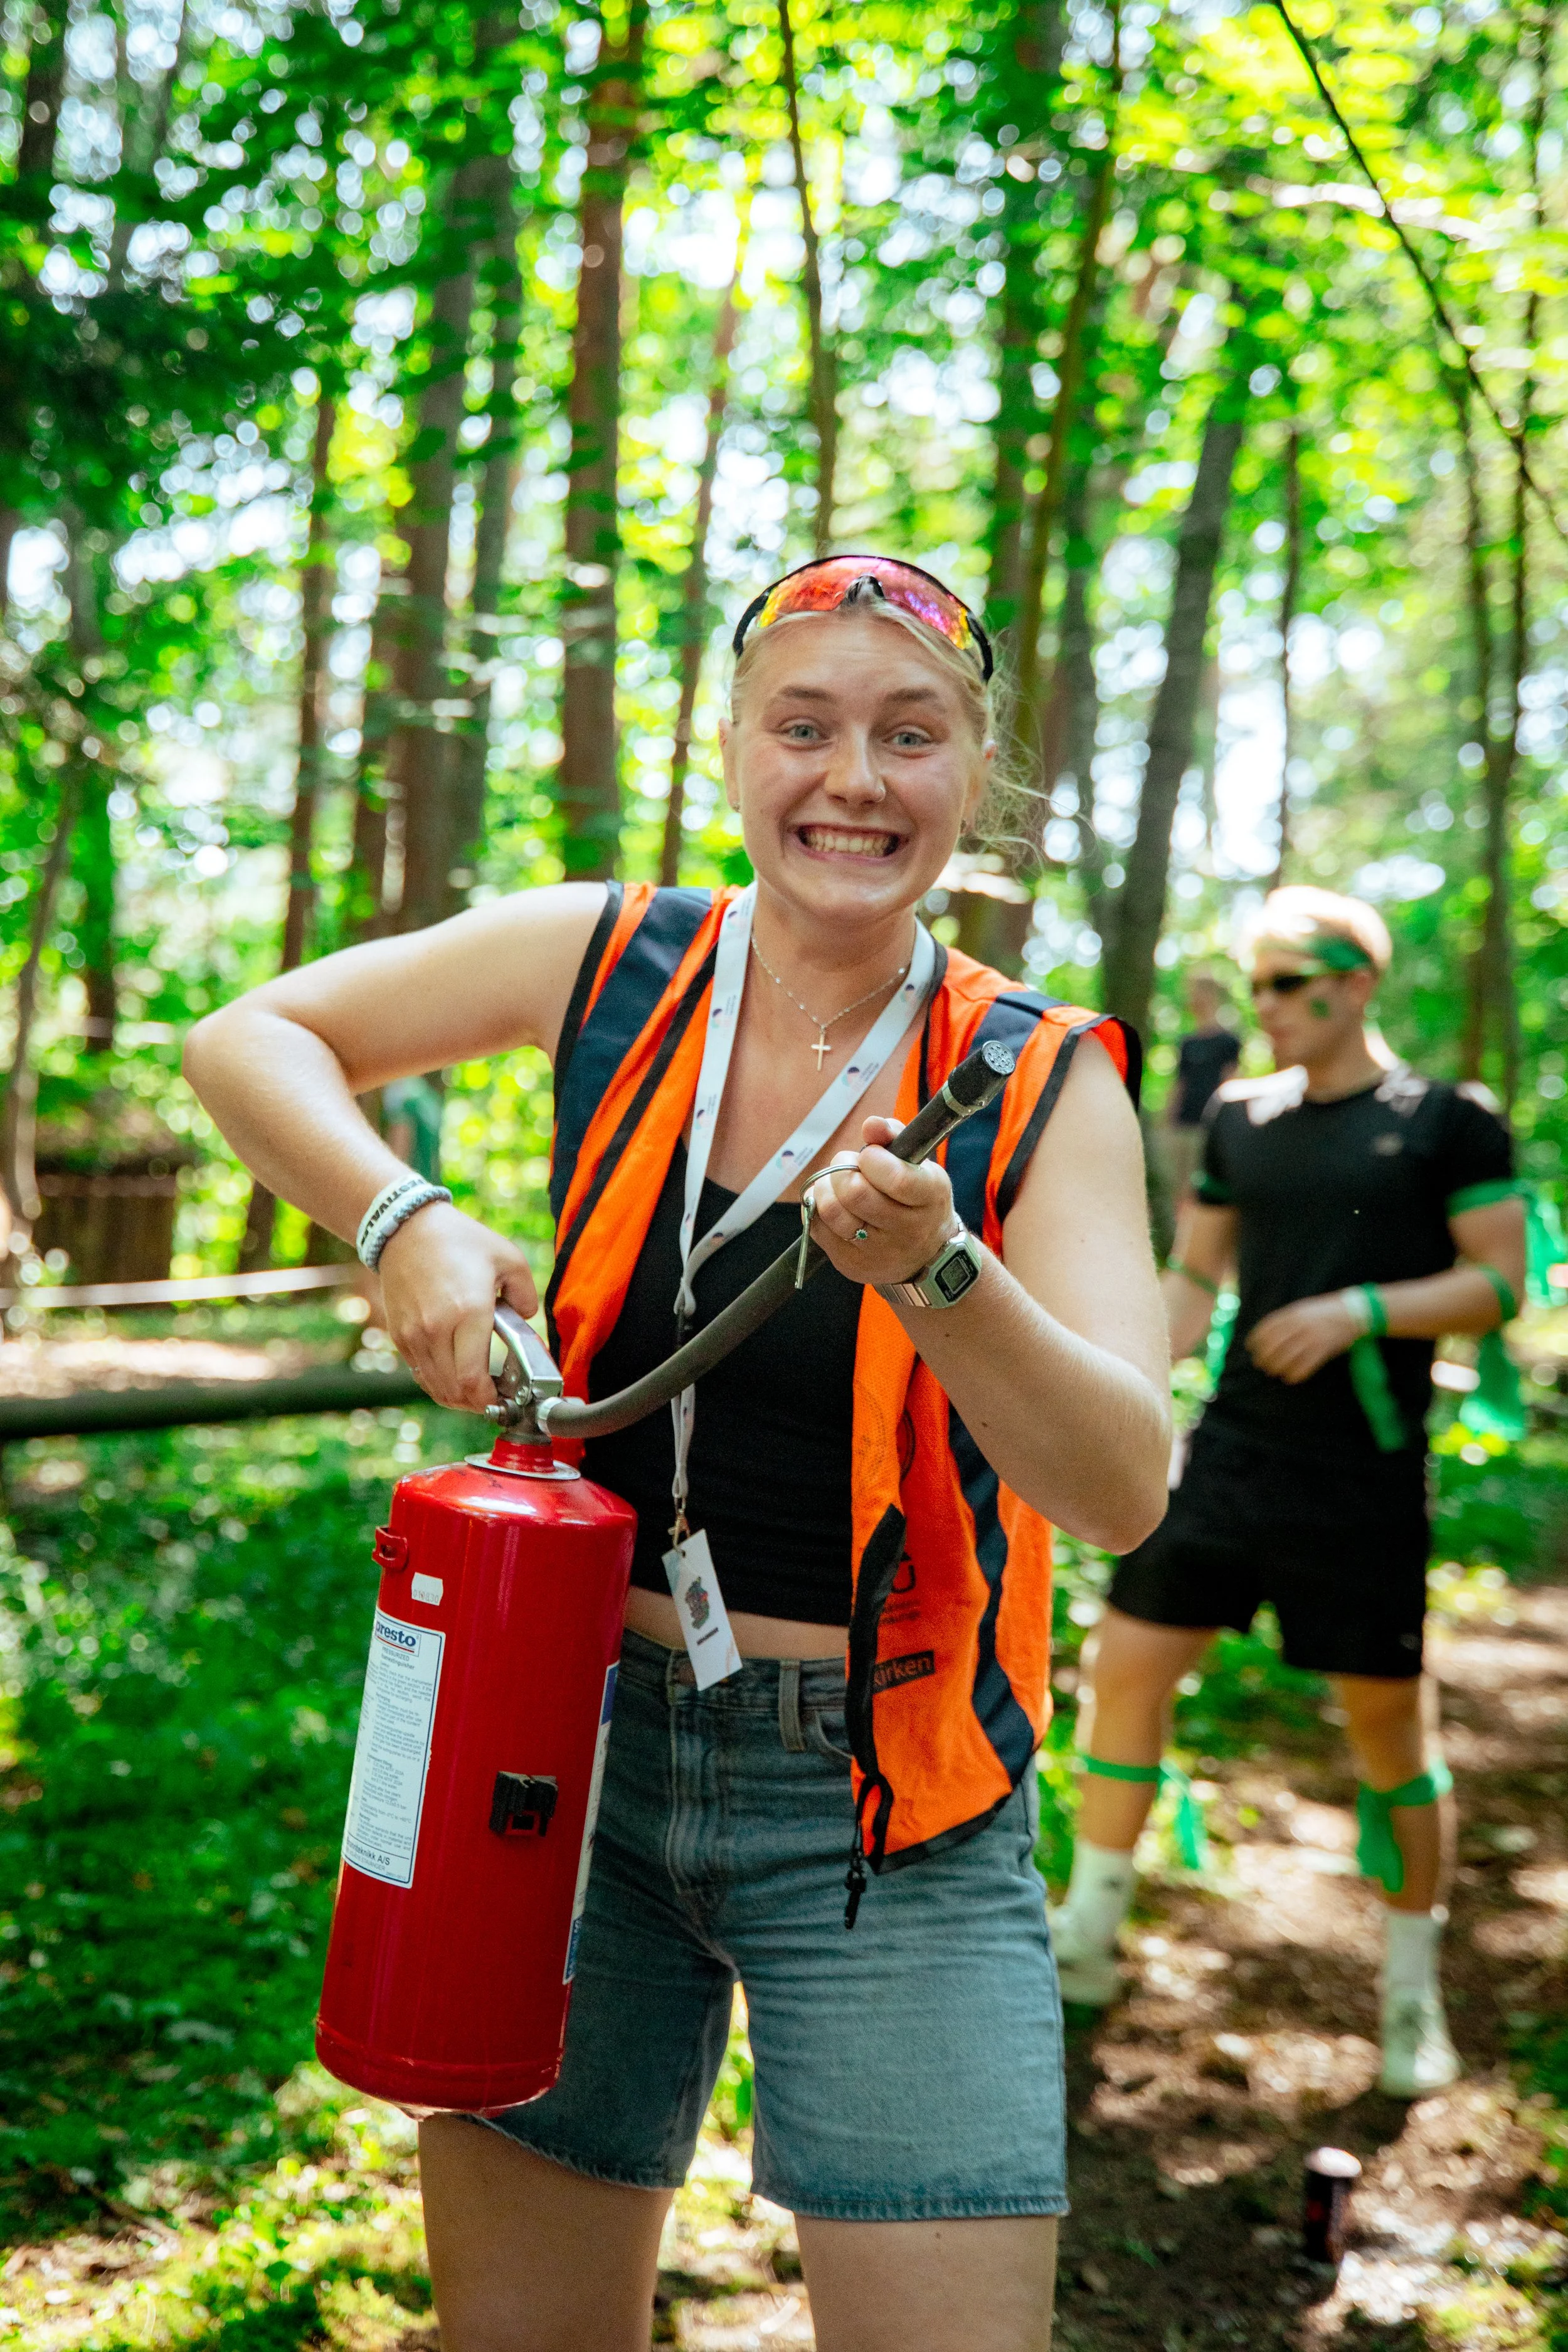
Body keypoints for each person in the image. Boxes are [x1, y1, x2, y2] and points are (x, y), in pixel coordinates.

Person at [184, 554, 1171, 2352]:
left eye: (907, 734)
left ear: (976, 774)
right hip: (556, 1753)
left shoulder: (1042, 1075)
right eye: (802, 726)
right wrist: (397, 1211)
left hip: (891, 1796)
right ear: (732, 748)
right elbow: (247, 1036)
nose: (851, 779)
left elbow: (1121, 1483)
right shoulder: (611, 956)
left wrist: (943, 1274)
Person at [1049, 886, 1526, 2100]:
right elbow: (1191, 1277)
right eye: (1251, 984)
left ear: (1350, 982)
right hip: (1227, 1455)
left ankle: (1409, 2000)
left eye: (1283, 983)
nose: (1260, 1007)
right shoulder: (1238, 1120)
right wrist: (1123, 1393)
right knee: (1125, 1669)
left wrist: (1359, 1309)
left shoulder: (1446, 1124)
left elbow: (1497, 1281)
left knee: (1384, 1731)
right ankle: (1088, 1937)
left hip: (1358, 1475)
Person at [1162, 969, 1239, 1204]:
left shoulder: (1228, 1041)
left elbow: (1231, 1082)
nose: (1194, 997)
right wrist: (1168, 1120)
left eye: (1198, 991)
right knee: (1177, 1189)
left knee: (1199, 1190)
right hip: (1183, 1124)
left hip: (1208, 1126)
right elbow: (1180, 1084)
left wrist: (1227, 1123)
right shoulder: (1187, 1042)